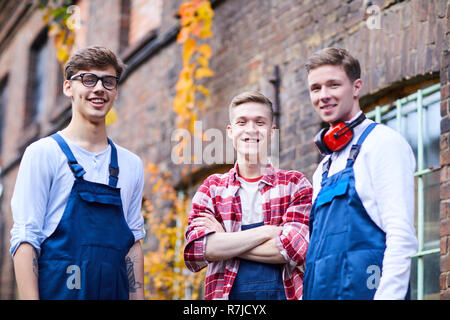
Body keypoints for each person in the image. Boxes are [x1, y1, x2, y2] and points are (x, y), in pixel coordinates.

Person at [10, 46, 145, 300]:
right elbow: (26, 238)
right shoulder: (43, 153)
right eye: (88, 79)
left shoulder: (131, 165)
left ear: (115, 92)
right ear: (68, 88)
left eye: (108, 81)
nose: (99, 88)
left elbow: (133, 246)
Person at [302, 47, 418, 300]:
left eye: (333, 85)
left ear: (356, 87)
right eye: (316, 88)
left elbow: (401, 236)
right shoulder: (323, 168)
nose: (324, 96)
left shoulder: (383, 143)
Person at [184, 91, 312, 300]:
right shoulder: (212, 188)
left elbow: (294, 249)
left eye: (260, 122)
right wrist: (268, 232)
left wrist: (223, 241)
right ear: (230, 131)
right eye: (242, 122)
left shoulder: (295, 185)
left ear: (272, 132)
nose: (251, 130)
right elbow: (197, 250)